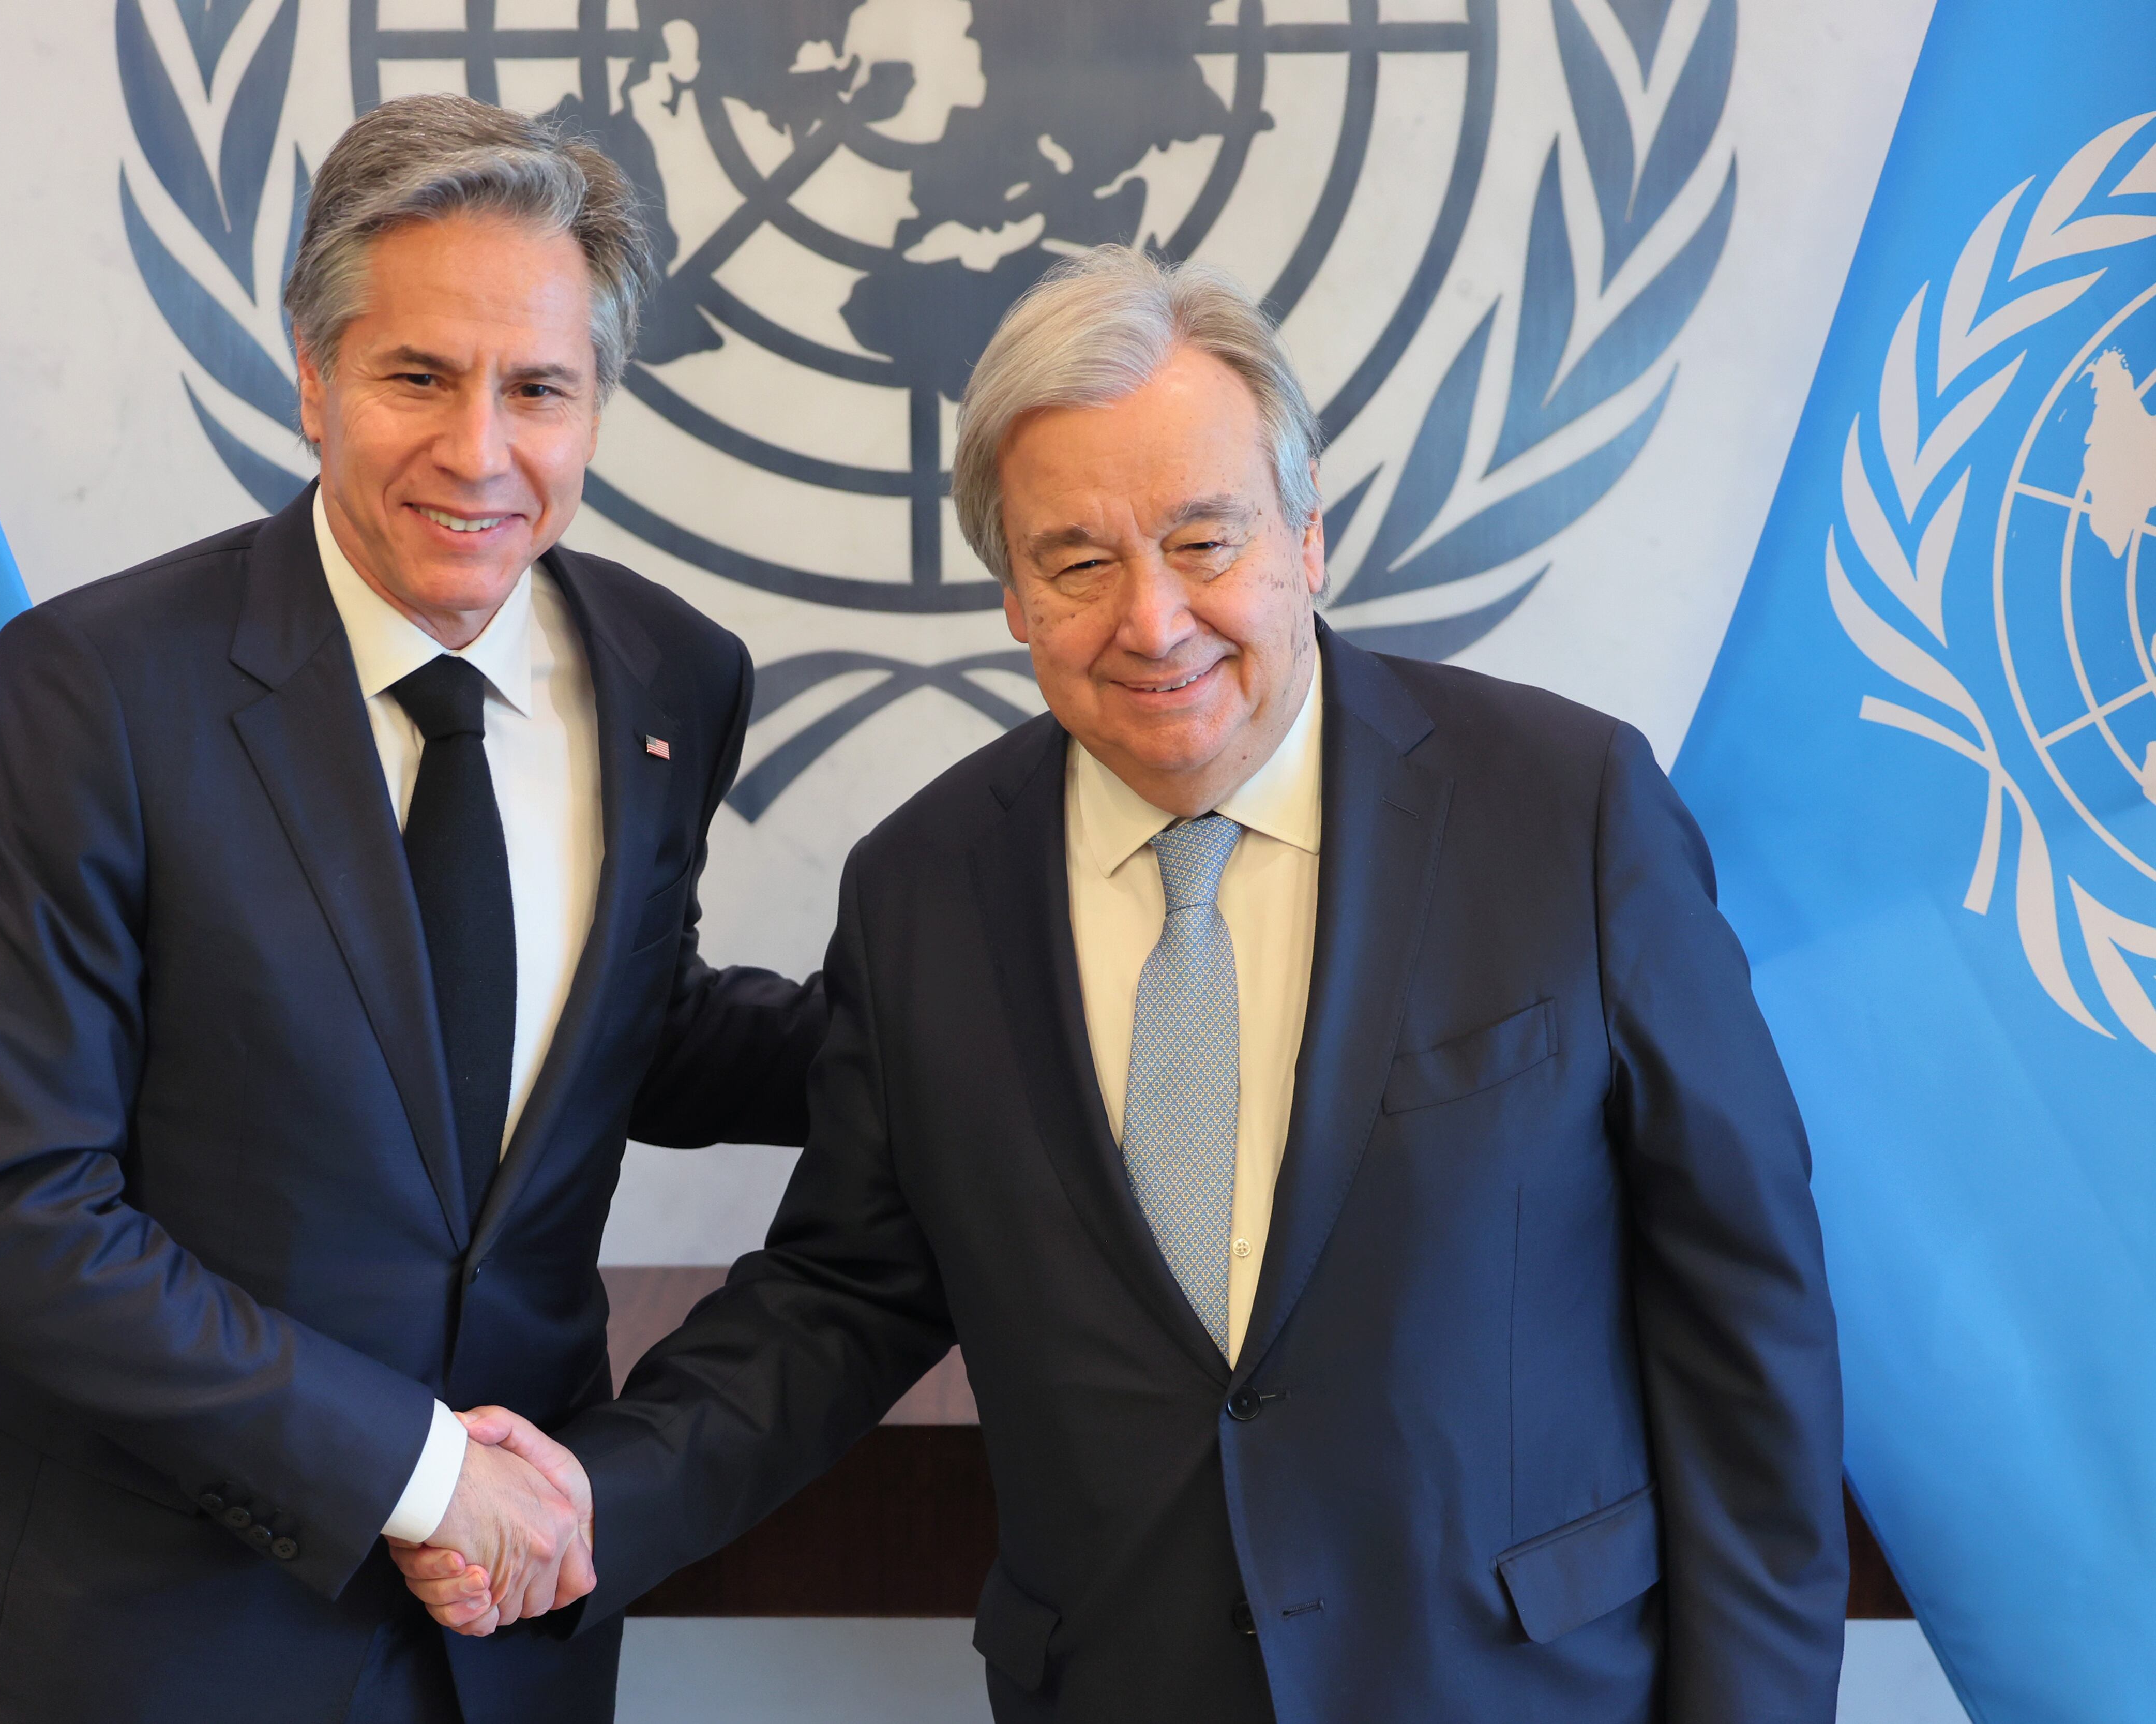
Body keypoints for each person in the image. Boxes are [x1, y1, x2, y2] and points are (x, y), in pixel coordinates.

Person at [419, 247, 1849, 1720]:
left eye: (1205, 541)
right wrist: (593, 1495)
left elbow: (1745, 1325)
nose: (1152, 621)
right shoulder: (927, 890)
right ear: (1015, 596)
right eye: (1081, 562)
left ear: (1308, 534)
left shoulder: (1572, 811)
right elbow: (845, 1296)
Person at [0, 95, 824, 1724]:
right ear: (313, 378)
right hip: (142, 1630)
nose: (480, 451)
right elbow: (3, 1211)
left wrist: (958, 1019)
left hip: (505, 1638)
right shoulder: (98, 690)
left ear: (597, 406)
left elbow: (599, 1026)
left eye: (539, 390)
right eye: (419, 377)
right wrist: (425, 1474)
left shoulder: (671, 676)